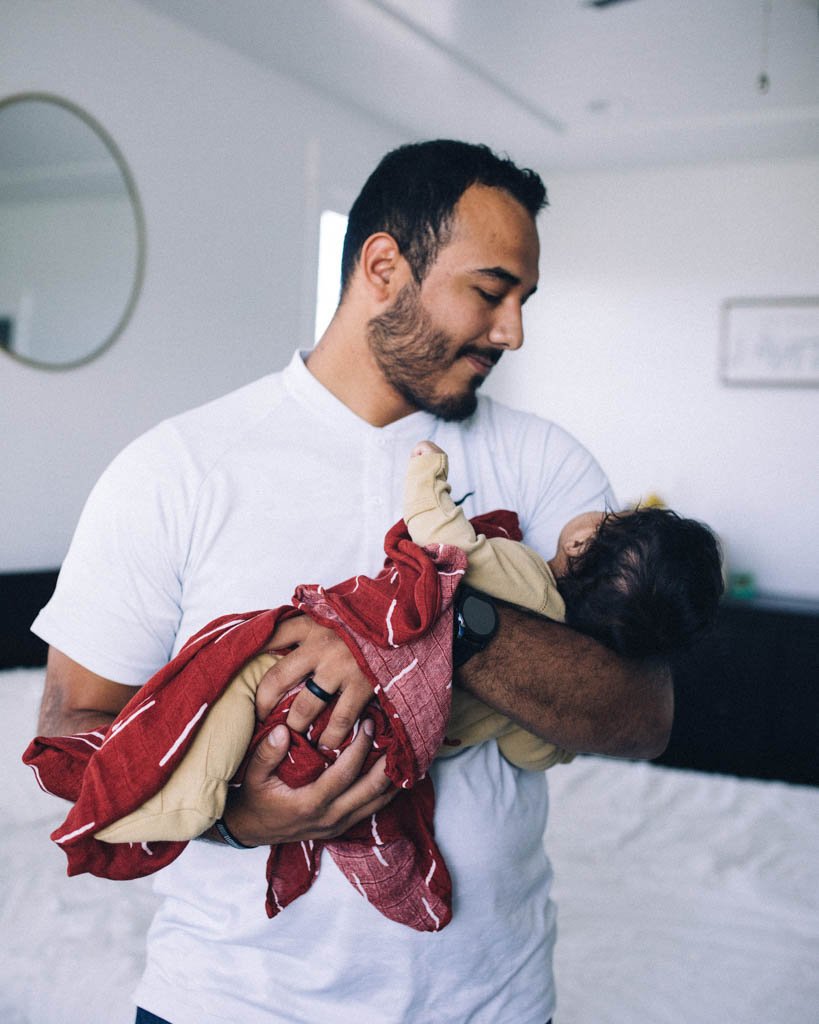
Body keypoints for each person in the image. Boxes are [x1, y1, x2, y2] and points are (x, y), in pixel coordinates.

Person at [32, 139, 673, 1024]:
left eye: (523, 301)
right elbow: (73, 729)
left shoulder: (546, 465)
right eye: (490, 292)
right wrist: (235, 818)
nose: (512, 332)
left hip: (491, 1003)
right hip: (227, 1002)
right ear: (382, 267)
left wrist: (429, 631)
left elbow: (641, 715)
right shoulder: (177, 469)